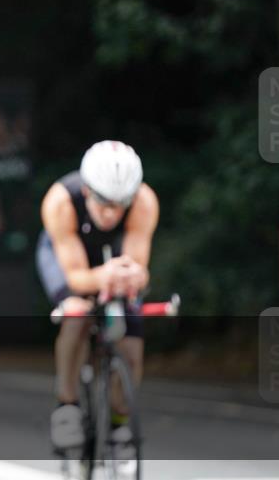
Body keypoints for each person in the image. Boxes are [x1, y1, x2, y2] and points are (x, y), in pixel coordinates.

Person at [35, 140, 159, 462]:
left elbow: (137, 266)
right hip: (68, 256)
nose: (111, 213)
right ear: (87, 190)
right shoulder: (60, 201)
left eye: (120, 204)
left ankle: (120, 424)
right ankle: (67, 406)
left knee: (131, 341)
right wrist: (98, 281)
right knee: (77, 315)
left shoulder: (144, 201)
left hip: (113, 253)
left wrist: (134, 277)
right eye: (103, 202)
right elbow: (76, 277)